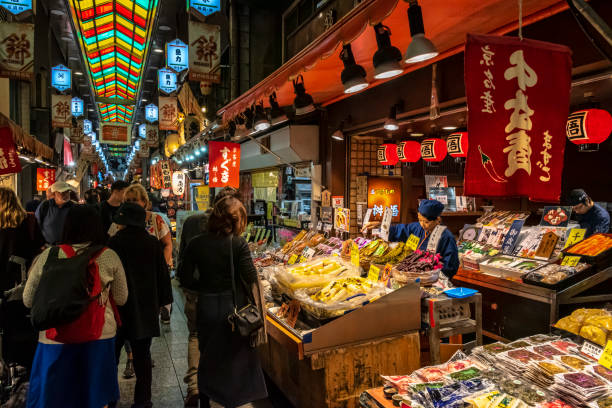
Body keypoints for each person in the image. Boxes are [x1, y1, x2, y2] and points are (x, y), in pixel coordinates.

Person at [23, 205, 128, 408]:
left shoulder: (48, 256)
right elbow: (122, 298)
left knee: (54, 397)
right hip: (99, 336)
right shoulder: (108, 256)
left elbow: (28, 299)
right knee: (95, 396)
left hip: (54, 337)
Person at [179, 195, 267, 408]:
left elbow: (184, 277)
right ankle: (231, 398)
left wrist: (204, 286)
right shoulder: (238, 244)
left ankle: (207, 397)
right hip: (232, 308)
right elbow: (249, 276)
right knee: (233, 358)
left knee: (208, 355)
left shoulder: (196, 243)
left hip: (207, 307)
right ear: (237, 221)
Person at [176, 187, 242, 407]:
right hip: (221, 296)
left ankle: (195, 386)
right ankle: (219, 386)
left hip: (196, 293)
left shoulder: (191, 221)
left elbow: (182, 255)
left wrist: (194, 286)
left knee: (196, 336)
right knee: (223, 339)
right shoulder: (231, 235)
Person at [107, 203, 173, 408]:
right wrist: (163, 303)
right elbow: (163, 276)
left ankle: (109, 399)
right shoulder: (152, 243)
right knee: (143, 357)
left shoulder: (114, 243)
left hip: (118, 309)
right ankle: (143, 400)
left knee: (112, 357)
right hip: (144, 308)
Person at [108, 184, 174, 323]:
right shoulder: (119, 222)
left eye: (135, 199)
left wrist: (162, 265)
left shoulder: (156, 219)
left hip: (150, 273)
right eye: (129, 200)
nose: (132, 203)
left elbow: (167, 244)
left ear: (144, 202)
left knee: (148, 311)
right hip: (125, 273)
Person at [0, 187, 44, 369]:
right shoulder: (29, 221)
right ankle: (19, 365)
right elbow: (40, 249)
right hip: (23, 283)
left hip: (2, 285)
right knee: (20, 325)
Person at [362, 199, 460, 279]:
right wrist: (379, 226)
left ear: (438, 220)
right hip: (410, 276)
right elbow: (397, 230)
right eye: (419, 220)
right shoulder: (416, 228)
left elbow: (451, 266)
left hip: (432, 280)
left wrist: (431, 273)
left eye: (426, 222)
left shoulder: (446, 237)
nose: (422, 225)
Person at [35, 181, 76, 245]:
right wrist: (40, 244)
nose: (66, 194)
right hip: (48, 247)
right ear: (54, 194)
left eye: (67, 192)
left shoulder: (74, 207)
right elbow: (36, 226)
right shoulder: (45, 206)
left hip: (69, 247)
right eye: (62, 192)